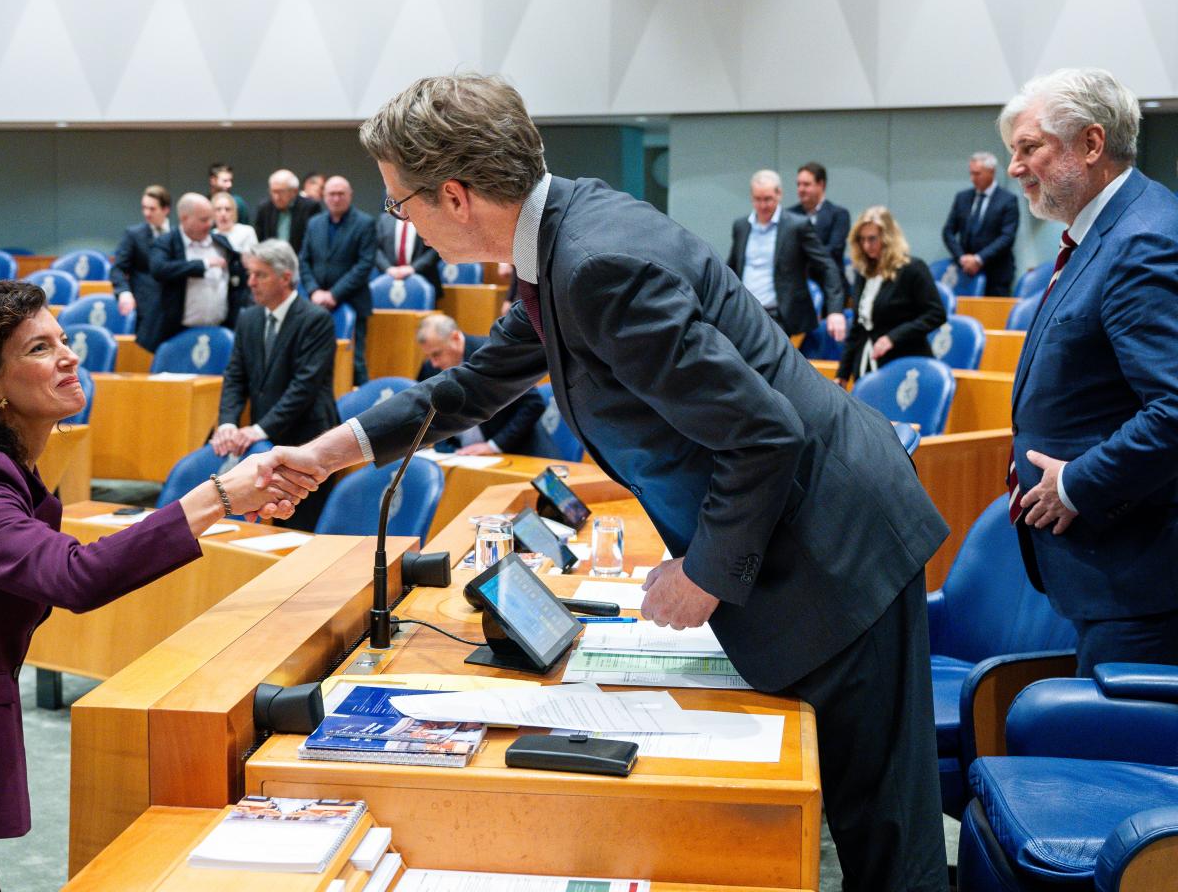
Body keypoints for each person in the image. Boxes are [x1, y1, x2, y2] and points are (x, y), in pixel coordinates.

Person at [288, 75, 950, 891]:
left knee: (887, 835)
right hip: (810, 532)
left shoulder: (593, 263)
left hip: (837, 551)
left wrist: (705, 574)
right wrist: (326, 454)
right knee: (866, 820)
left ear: (454, 196)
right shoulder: (562, 236)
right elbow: (471, 386)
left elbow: (763, 432)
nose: (402, 222)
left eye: (400, 203)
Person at [0, 281, 316, 891]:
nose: (68, 356)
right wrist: (220, 495)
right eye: (39, 348)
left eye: (65, 340)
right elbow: (74, 575)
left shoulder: (8, 477)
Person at [1001, 67, 1178, 674]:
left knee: (1114, 764)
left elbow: (1174, 408)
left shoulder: (1141, 239)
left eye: (1030, 148)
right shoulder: (1107, 230)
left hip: (1140, 576)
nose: (1015, 168)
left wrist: (1076, 481)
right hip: (1106, 565)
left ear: (1091, 144)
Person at [212, 240, 340, 531]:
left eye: (260, 275)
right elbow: (235, 376)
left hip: (307, 439)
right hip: (266, 440)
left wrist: (257, 430)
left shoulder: (316, 320)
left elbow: (303, 388)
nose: (251, 282)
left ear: (285, 277)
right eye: (250, 274)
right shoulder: (249, 318)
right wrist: (228, 423)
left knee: (297, 532)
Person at [728, 170, 847, 343]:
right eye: (757, 199)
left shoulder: (796, 226)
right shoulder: (741, 226)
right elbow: (733, 268)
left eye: (768, 199)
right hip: (745, 312)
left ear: (779, 194)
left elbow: (827, 265)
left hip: (780, 315)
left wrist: (835, 310)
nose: (763, 205)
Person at [835, 207, 947, 385]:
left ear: (888, 237)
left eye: (872, 239)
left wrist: (892, 338)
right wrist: (842, 374)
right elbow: (858, 328)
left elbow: (936, 314)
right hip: (866, 366)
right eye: (861, 239)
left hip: (903, 361)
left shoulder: (912, 268)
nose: (866, 246)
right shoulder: (864, 273)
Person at [415, 314, 540, 455]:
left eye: (437, 354)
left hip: (512, 452)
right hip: (459, 454)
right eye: (429, 356)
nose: (434, 363)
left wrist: (493, 446)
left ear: (455, 338)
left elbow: (533, 403)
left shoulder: (494, 354)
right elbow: (431, 411)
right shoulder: (430, 368)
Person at [139, 193, 248, 353]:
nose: (209, 224)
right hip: (177, 332)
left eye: (210, 219)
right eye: (203, 220)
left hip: (220, 329)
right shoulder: (166, 242)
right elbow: (159, 269)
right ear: (184, 219)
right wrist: (202, 265)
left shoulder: (221, 243)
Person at [299, 175, 378, 384]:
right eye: (332, 194)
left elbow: (364, 265)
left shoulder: (365, 223)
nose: (336, 199)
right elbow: (304, 260)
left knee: (355, 361)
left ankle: (364, 410)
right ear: (324, 197)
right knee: (311, 358)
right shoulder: (314, 223)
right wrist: (314, 291)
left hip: (351, 301)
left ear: (350, 196)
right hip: (315, 303)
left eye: (341, 194)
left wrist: (334, 294)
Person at [941, 151, 1019, 296]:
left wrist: (979, 259)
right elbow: (948, 231)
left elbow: (1007, 237)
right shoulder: (962, 198)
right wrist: (962, 258)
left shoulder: (1008, 200)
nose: (973, 178)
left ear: (991, 172)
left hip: (996, 274)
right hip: (965, 271)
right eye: (971, 173)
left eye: (977, 174)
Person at [788, 161, 852, 294]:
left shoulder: (838, 214)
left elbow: (834, 250)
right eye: (798, 184)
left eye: (806, 184)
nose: (801, 189)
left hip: (829, 285)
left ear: (821, 184)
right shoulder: (789, 215)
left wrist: (800, 259)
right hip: (797, 287)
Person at [112, 184, 171, 321]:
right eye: (144, 208)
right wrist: (124, 292)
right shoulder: (133, 235)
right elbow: (118, 269)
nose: (147, 213)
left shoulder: (176, 236)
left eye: (152, 209)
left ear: (166, 209)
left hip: (171, 307)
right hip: (143, 308)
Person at [375, 210, 444, 302]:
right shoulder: (384, 219)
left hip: (424, 278)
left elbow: (436, 248)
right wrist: (388, 268)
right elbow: (375, 249)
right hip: (389, 280)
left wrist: (413, 268)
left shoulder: (429, 218)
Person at [255, 168, 323, 252]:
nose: (276, 197)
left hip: (299, 259)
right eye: (273, 192)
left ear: (294, 191)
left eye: (280, 192)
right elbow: (260, 239)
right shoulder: (265, 208)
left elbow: (314, 241)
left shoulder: (310, 207)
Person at [212, 192, 258, 258]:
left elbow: (253, 260)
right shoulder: (210, 235)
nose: (223, 213)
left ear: (234, 212)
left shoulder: (247, 231)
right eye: (218, 209)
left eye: (227, 209)